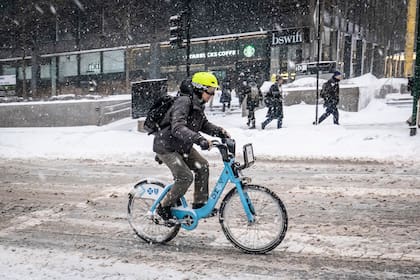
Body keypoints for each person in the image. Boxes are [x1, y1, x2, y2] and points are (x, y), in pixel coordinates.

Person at [153, 72, 231, 225]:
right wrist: (199, 139)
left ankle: (200, 204)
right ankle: (164, 208)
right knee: (185, 177)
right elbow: (177, 127)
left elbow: (203, 124)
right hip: (167, 147)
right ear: (199, 89)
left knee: (202, 166)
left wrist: (219, 131)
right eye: (210, 91)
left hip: (182, 146)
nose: (212, 95)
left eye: (213, 91)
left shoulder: (197, 104)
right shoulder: (183, 102)